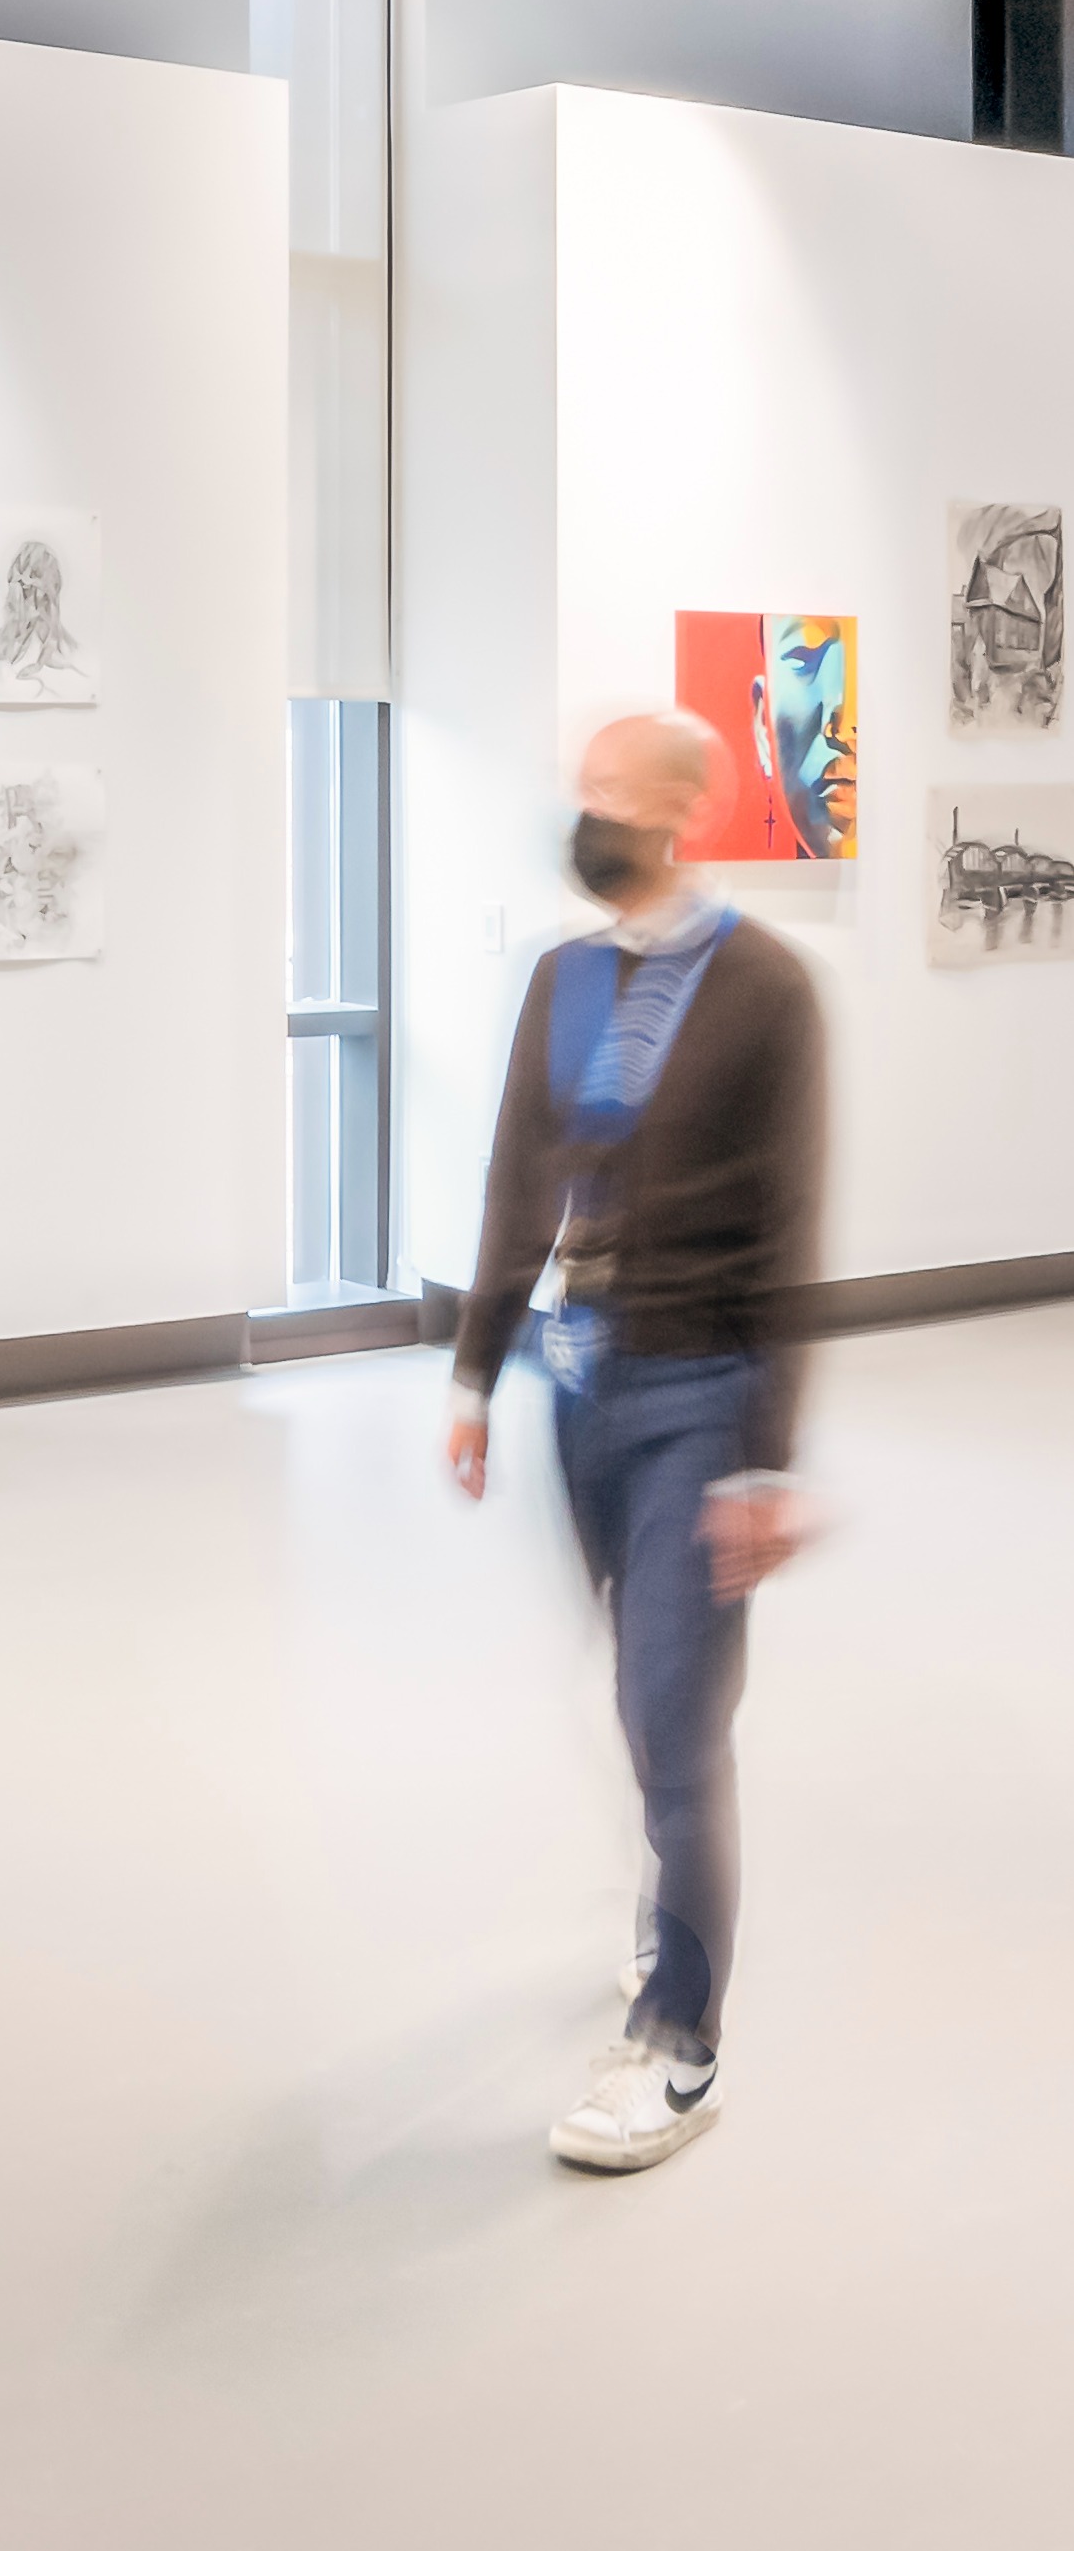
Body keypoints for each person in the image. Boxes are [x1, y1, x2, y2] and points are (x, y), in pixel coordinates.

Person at [448, 708, 828, 2173]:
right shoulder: (562, 978)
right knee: (640, 1685)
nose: (586, 810)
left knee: (678, 1713)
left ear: (684, 812)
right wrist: (478, 1370)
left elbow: (792, 1228)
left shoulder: (769, 990)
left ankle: (682, 2046)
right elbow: (516, 1181)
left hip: (702, 1395)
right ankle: (668, 1909)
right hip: (580, 1387)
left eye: (611, 791)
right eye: (580, 789)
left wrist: (763, 1459)